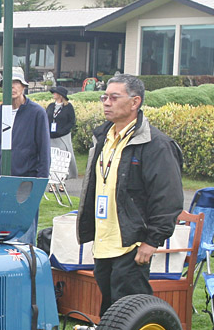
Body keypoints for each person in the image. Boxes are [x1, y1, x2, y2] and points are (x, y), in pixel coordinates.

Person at [77, 74, 184, 315]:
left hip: (132, 245)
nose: (106, 102)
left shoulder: (156, 144)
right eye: (104, 97)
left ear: (135, 102)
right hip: (104, 243)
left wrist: (152, 241)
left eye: (114, 97)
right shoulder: (103, 137)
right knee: (110, 315)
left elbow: (168, 199)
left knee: (132, 317)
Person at [0, 67, 50, 189]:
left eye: (16, 82)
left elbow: (44, 152)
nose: (12, 87)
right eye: (8, 83)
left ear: (23, 86)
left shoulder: (37, 113)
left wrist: (39, 186)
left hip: (25, 182)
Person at [46, 85, 78, 180]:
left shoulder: (68, 107)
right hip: (51, 136)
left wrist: (63, 131)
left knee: (63, 159)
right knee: (53, 159)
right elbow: (45, 118)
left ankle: (62, 180)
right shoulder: (51, 106)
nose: (53, 94)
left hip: (62, 136)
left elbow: (72, 121)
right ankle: (53, 181)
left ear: (60, 95)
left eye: (55, 93)